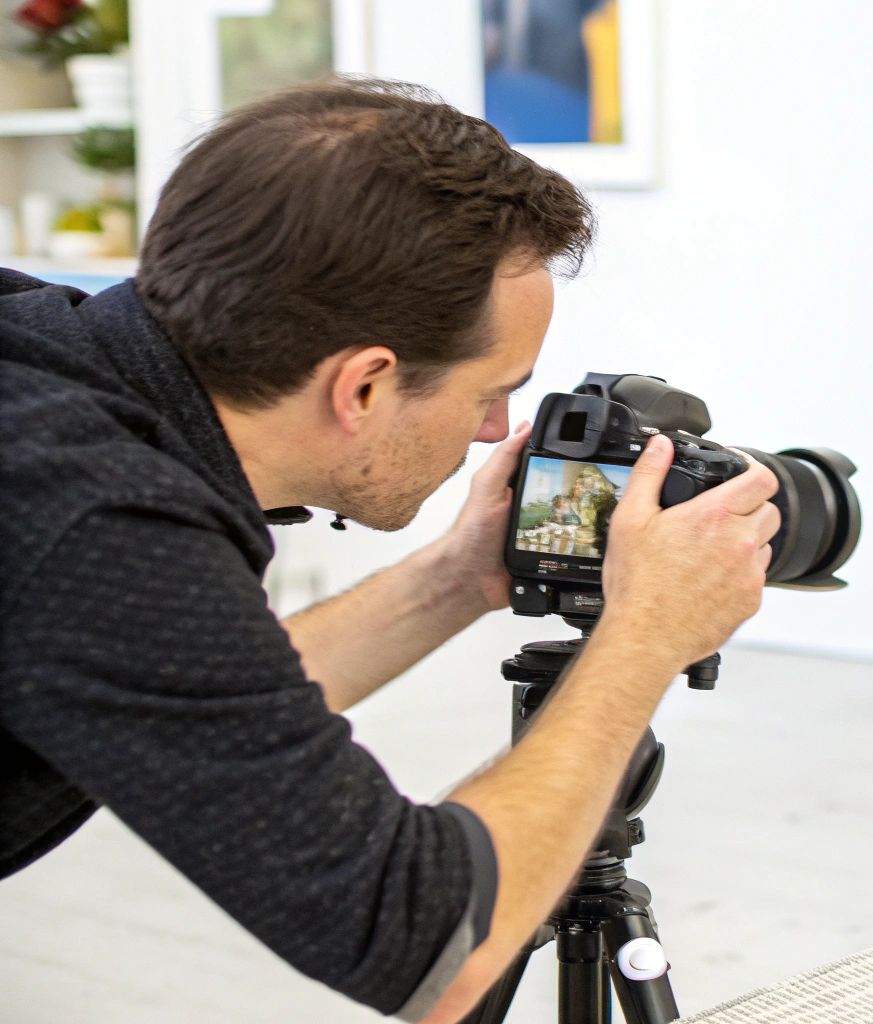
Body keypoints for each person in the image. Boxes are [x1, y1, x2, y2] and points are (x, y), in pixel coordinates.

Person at [0, 78, 779, 1022]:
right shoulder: (101, 518)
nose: (494, 430)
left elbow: (187, 679)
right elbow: (433, 951)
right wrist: (646, 637)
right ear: (363, 386)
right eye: (491, 390)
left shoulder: (45, 353)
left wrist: (460, 576)